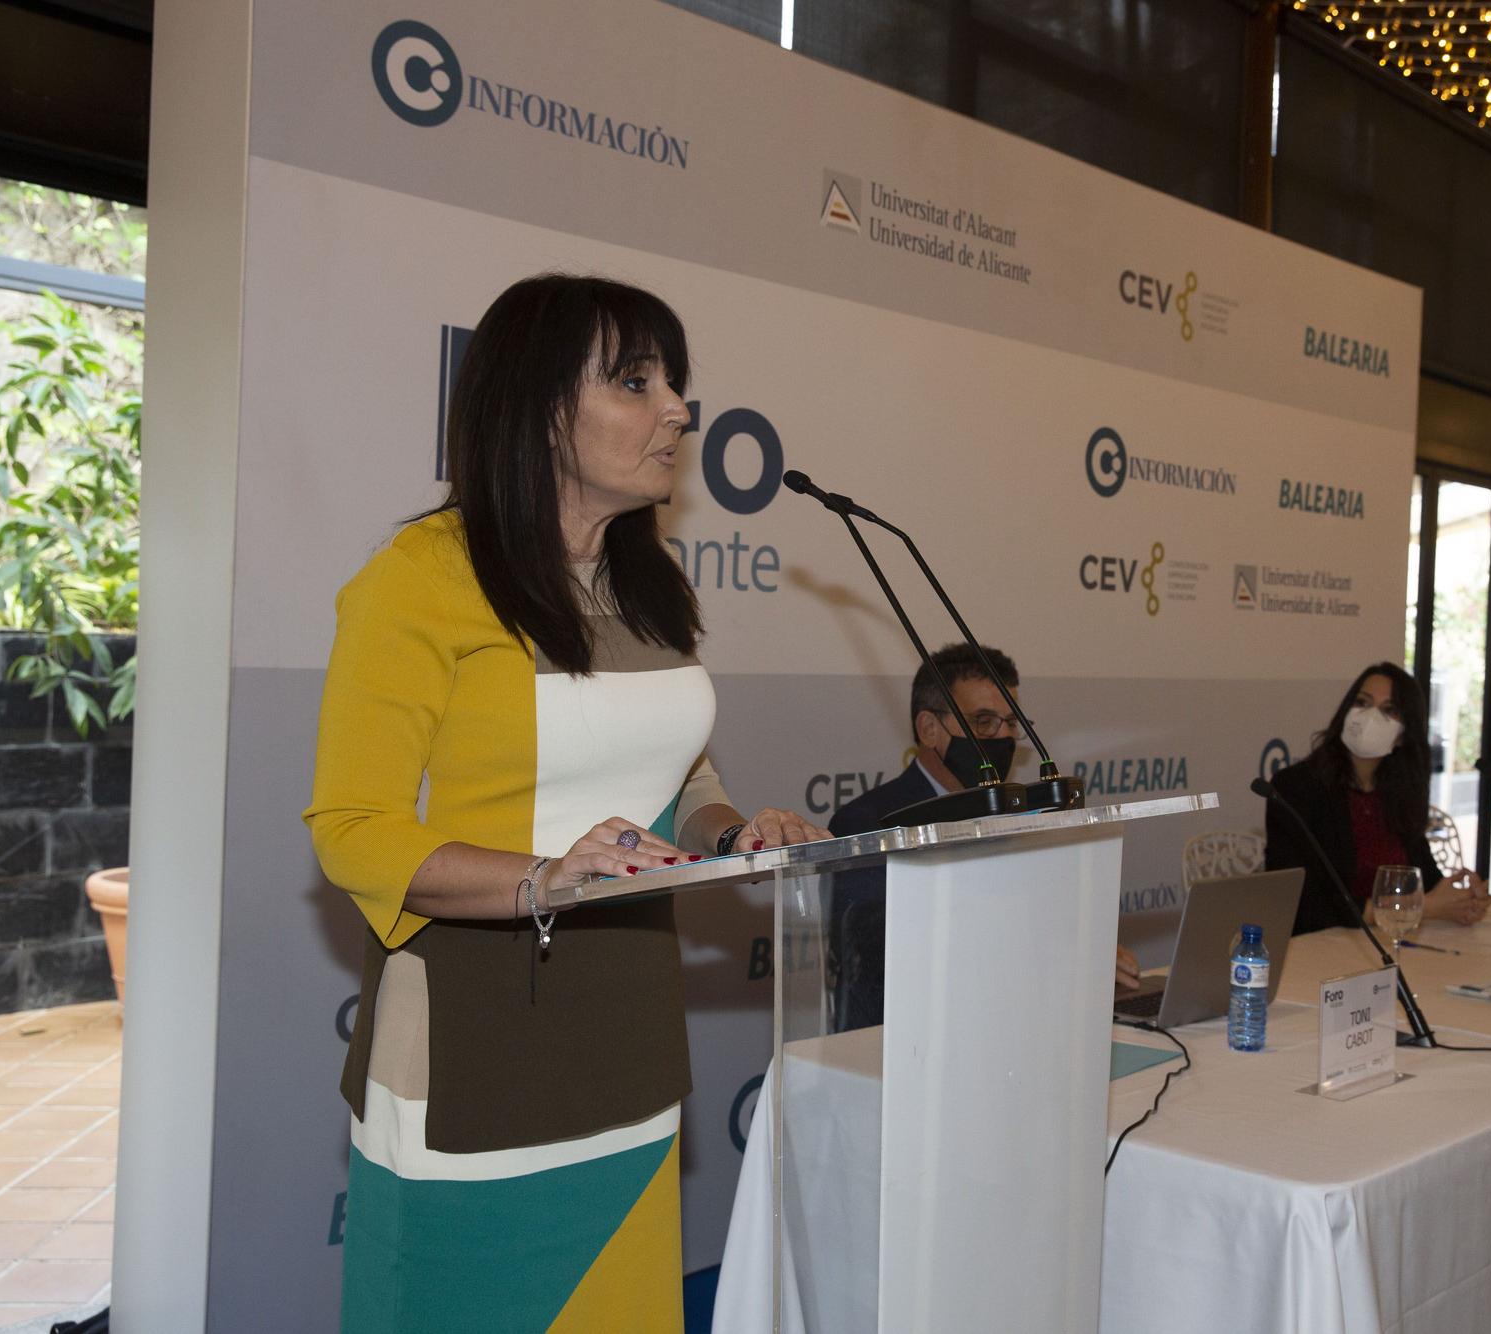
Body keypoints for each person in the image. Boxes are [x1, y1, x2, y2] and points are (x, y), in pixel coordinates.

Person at [304, 274, 827, 1333]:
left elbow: (680, 783)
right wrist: (540, 877)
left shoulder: (648, 584)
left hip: (625, 1029)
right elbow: (353, 830)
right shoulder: (420, 578)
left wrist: (733, 831)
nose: (676, 408)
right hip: (471, 1037)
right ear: (543, 408)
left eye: (674, 382)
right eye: (636, 381)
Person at [827, 643, 1141, 1030]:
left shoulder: (1016, 812)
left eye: (1011, 724)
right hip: (901, 1036)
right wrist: (1054, 957)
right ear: (929, 729)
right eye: (984, 722)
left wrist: (1081, 955)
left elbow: (1044, 919)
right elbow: (881, 955)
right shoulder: (866, 821)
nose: (1003, 738)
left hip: (1015, 1023)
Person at [1264, 662, 1491, 935]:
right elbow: (1305, 905)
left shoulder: (1400, 791)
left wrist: (1461, 901)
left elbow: (1425, 879)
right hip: (1322, 947)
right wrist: (1421, 907)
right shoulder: (1296, 787)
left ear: (1403, 735)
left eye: (1389, 710)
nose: (1371, 716)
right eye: (1362, 702)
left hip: (1393, 941)